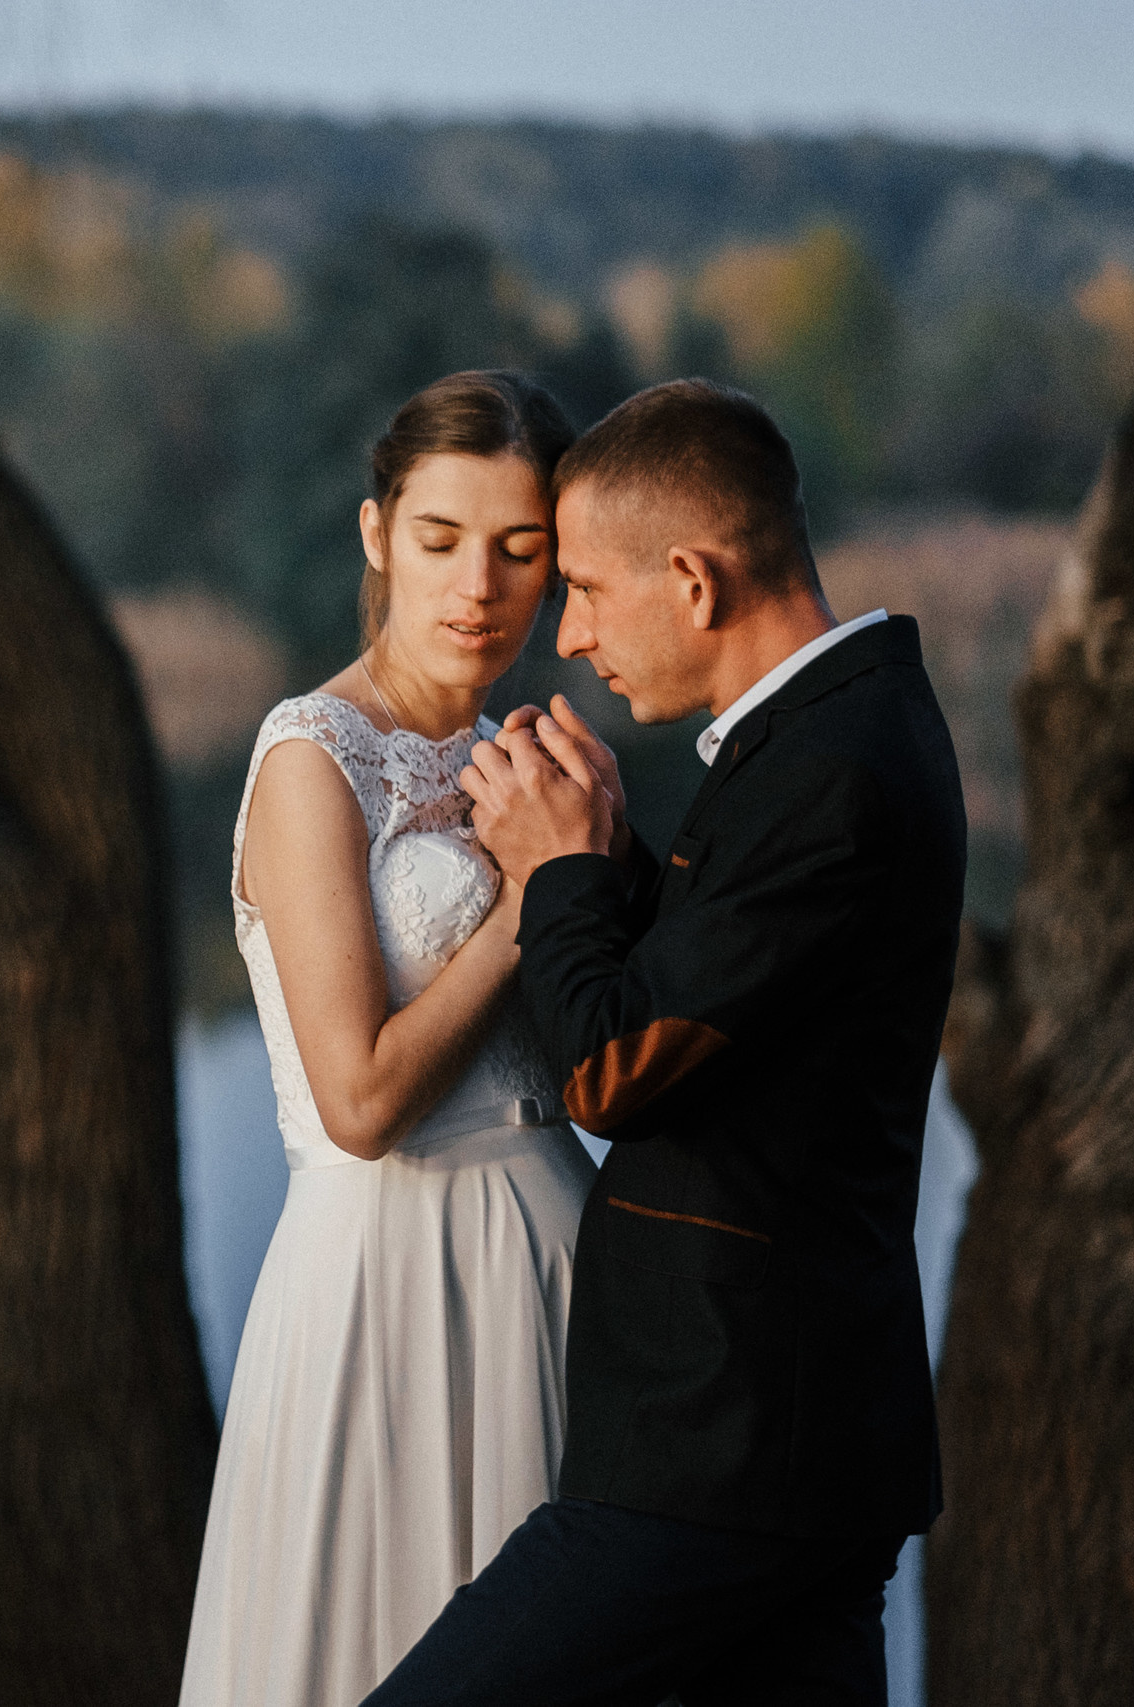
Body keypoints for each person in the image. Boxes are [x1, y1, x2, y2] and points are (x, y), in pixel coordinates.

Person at [362, 379, 968, 1707]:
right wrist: (610, 850)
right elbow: (727, 1004)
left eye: (581, 588)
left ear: (692, 582)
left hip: (726, 1450)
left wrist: (561, 873)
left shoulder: (835, 771)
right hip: (788, 1448)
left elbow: (614, 1068)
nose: (569, 636)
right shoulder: (822, 737)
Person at [178, 371, 601, 1707]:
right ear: (377, 536)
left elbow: (596, 1061)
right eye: (439, 540)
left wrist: (596, 859)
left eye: (518, 549)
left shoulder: (527, 758)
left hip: (562, 1266)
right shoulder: (312, 760)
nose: (477, 583)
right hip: (387, 1278)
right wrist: (538, 901)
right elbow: (359, 1101)